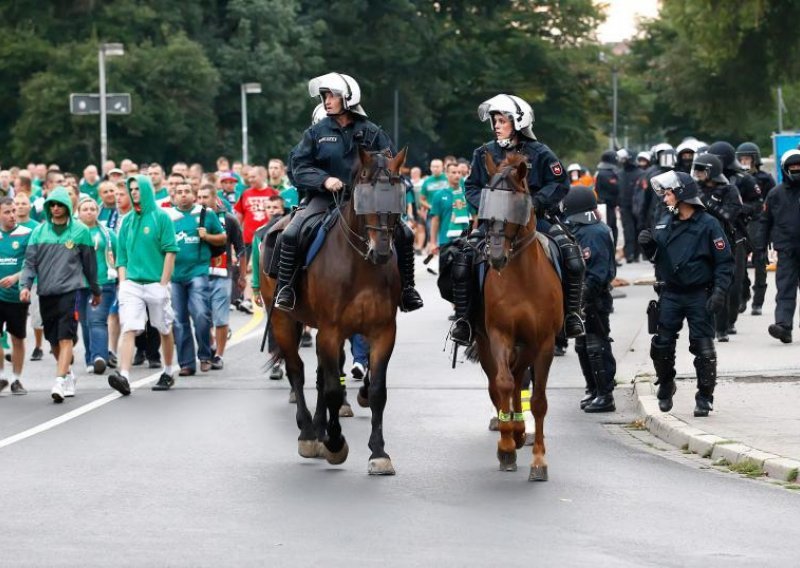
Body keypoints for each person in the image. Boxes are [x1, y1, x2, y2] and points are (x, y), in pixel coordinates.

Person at [274, 72, 423, 313]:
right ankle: (287, 288)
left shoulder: (373, 132)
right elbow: (297, 167)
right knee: (291, 232)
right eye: (324, 96)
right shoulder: (316, 132)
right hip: (324, 198)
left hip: (367, 201)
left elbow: (391, 163)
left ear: (348, 98)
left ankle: (407, 289)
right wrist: (324, 180)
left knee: (404, 233)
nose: (327, 101)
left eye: (332, 95)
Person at [451, 93, 581, 345]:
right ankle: (465, 320)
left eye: (502, 121)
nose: (496, 126)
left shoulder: (541, 152)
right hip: (494, 223)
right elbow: (472, 188)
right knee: (463, 258)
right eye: (495, 121)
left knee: (572, 256)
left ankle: (571, 315)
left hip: (535, 220)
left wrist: (533, 203)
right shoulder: (483, 153)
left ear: (518, 122)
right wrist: (489, 206)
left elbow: (560, 183)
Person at [638, 171, 733, 417]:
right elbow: (658, 258)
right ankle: (666, 383)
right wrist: (649, 245)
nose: (665, 198)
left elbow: (725, 262)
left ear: (682, 195)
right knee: (661, 345)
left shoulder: (709, 224)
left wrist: (720, 291)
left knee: (703, 348)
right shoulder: (663, 221)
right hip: (670, 293)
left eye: (669, 193)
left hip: (699, 294)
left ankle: (704, 397)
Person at [20, 187, 100, 403]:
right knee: (53, 339)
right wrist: (25, 285)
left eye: (59, 205)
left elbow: (89, 264)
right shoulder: (39, 232)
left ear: (67, 206)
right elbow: (29, 263)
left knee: (66, 337)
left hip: (70, 291)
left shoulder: (80, 231)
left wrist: (95, 289)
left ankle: (58, 380)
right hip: (45, 292)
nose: (55, 208)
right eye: (52, 205)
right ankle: (68, 374)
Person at [107, 174, 180, 395]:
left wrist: (163, 282)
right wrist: (123, 282)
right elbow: (121, 256)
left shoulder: (161, 218)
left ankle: (168, 371)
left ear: (146, 190)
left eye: (138, 188)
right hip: (131, 284)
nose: (134, 192)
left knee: (163, 327)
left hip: (156, 283)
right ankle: (124, 376)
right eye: (132, 189)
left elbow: (170, 251)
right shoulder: (127, 220)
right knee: (129, 327)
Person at [562, 187, 617, 413]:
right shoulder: (581, 230)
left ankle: (606, 394)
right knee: (582, 346)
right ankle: (593, 389)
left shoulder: (594, 232)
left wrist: (582, 296)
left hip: (594, 299)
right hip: (581, 299)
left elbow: (598, 272)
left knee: (597, 345)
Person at [167, 180, 225, 375]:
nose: (183, 195)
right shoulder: (167, 216)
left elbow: (223, 238)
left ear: (193, 195)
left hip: (198, 272)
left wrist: (207, 237)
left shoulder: (205, 213)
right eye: (179, 192)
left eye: (187, 191)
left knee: (201, 314)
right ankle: (186, 363)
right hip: (174, 275)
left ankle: (205, 355)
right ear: (173, 196)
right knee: (178, 320)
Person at [691, 153, 743, 342]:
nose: (697, 173)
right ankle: (708, 325)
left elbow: (730, 214)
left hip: (724, 243)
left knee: (725, 285)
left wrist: (709, 203)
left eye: (701, 170)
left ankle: (723, 327)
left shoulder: (729, 190)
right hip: (700, 243)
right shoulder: (694, 189)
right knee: (704, 285)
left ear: (711, 171)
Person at [198, 184, 245, 370]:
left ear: (214, 198)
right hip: (199, 273)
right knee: (201, 316)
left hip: (223, 273)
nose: (202, 201)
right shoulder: (195, 218)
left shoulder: (229, 220)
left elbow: (241, 249)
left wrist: (242, 276)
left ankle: (219, 355)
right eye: (199, 197)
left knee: (221, 317)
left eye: (205, 197)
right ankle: (209, 345)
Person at [760, 150, 800, 344]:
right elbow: (764, 222)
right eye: (793, 168)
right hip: (786, 250)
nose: (796, 171)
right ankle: (783, 326)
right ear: (785, 169)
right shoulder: (775, 194)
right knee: (785, 288)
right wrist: (761, 250)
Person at [75, 196, 117, 375]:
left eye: (92, 209)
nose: (89, 211)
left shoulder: (107, 233)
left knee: (97, 320)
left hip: (102, 283)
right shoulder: (73, 234)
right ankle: (90, 358)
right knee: (85, 322)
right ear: (78, 213)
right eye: (85, 209)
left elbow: (119, 255)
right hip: (78, 284)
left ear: (97, 212)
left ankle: (100, 357)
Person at [736, 141, 776, 316]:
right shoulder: (736, 179)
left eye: (748, 159)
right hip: (741, 222)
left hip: (760, 222)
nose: (745, 162)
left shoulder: (766, 179)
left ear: (755, 160)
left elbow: (774, 201)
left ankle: (758, 300)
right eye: (742, 159)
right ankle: (743, 294)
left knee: (760, 260)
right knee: (740, 261)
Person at [0, 198, 34, 395]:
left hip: (17, 296)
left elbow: (31, 264)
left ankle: (16, 379)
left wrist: (15, 277)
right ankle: (1, 376)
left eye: (13, 211)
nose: (12, 215)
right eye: (7, 212)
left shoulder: (25, 234)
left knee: (17, 338)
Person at [617, 148, 642, 263]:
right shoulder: (620, 173)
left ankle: (636, 254)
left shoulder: (641, 173)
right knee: (628, 230)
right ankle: (629, 254)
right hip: (624, 206)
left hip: (638, 206)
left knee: (638, 229)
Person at [594, 150, 620, 248]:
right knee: (610, 230)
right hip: (606, 206)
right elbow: (616, 188)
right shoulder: (606, 174)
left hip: (605, 206)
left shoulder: (601, 173)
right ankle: (611, 255)